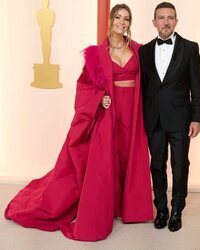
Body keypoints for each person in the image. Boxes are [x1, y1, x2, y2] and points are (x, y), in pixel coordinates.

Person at [5, 4, 153, 241]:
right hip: (109, 112)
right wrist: (99, 98)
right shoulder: (97, 53)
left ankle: (126, 208)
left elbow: (150, 81)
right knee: (108, 159)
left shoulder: (139, 51)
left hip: (133, 112)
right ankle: (107, 207)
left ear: (130, 23)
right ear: (111, 20)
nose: (122, 22)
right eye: (118, 17)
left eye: (126, 19)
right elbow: (84, 86)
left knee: (129, 156)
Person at [139, 2, 200, 232]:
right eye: (161, 17)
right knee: (156, 165)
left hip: (181, 119)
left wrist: (196, 118)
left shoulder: (190, 48)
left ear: (176, 21)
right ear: (154, 22)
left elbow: (197, 86)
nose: (166, 22)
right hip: (154, 118)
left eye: (170, 17)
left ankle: (177, 210)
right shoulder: (144, 51)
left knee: (179, 165)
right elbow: (143, 87)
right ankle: (162, 210)